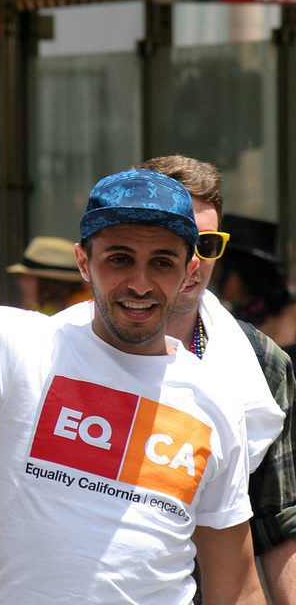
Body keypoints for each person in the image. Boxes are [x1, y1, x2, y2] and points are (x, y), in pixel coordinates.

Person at [0, 76, 279, 604]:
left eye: (161, 262)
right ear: (83, 261)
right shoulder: (18, 348)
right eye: (119, 259)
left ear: (188, 271)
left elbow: (236, 585)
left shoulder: (218, 400)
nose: (139, 283)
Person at [137, 155, 296, 605]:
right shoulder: (66, 347)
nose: (190, 260)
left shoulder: (262, 363)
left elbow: (278, 520)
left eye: (206, 244)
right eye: (176, 239)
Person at [212, 213, 296, 357]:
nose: (214, 277)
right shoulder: (222, 320)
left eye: (220, 268)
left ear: (245, 273)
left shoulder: (291, 313)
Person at [6, 235, 92, 314]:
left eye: (26, 275)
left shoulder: (86, 313)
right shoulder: (38, 309)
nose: (20, 281)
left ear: (49, 283)